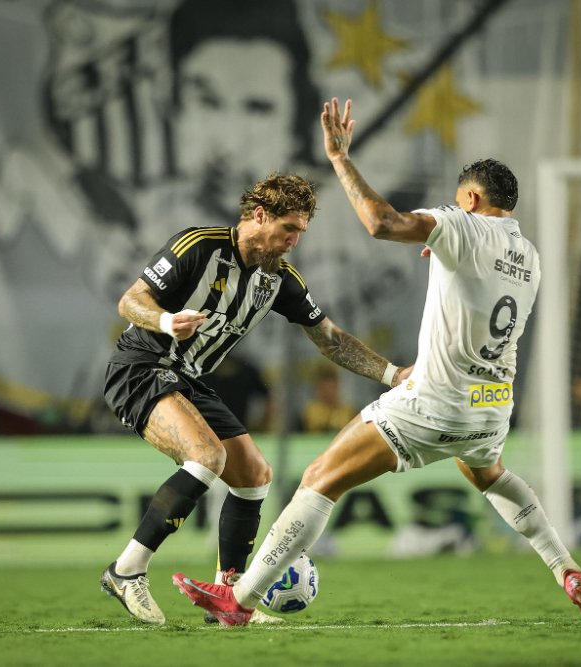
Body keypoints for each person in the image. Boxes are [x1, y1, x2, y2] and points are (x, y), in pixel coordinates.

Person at [174, 98, 581, 625]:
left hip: (434, 400)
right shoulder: (529, 255)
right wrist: (445, 250)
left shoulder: (462, 224)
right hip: (491, 405)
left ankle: (238, 601)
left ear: (470, 198)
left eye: (455, 202)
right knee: (490, 475)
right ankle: (567, 568)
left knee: (319, 479)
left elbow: (382, 223)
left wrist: (339, 158)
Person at [100, 172, 407, 626]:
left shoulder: (279, 280)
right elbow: (130, 301)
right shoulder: (198, 246)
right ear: (260, 217)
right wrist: (166, 322)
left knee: (254, 476)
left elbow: (329, 339)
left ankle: (228, 597)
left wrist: (393, 373)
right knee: (206, 457)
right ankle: (126, 571)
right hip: (140, 368)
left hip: (187, 377)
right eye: (290, 228)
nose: (295, 240)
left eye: (301, 231)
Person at [200, 354, 273, 432]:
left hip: (234, 428)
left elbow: (267, 396)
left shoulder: (247, 371)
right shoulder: (246, 369)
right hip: (213, 428)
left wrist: (264, 421)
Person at [298, 364, 357, 433]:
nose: (329, 393)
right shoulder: (307, 415)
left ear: (337, 386)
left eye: (332, 388)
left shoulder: (349, 413)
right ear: (317, 388)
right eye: (324, 389)